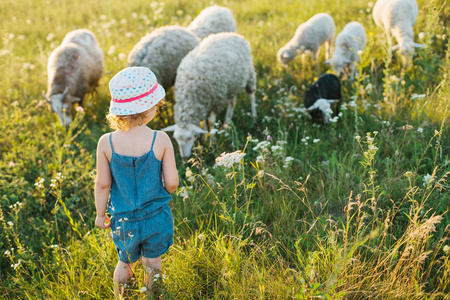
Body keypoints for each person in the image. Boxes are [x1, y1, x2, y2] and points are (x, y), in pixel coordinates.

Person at [94, 66, 179, 297]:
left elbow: (102, 184)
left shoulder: (106, 143)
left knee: (124, 262)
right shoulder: (160, 139)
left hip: (124, 220)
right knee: (153, 265)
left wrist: (101, 215)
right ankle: (154, 296)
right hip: (156, 217)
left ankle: (121, 296)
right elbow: (172, 183)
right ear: (149, 108)